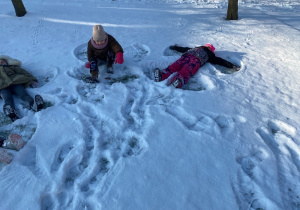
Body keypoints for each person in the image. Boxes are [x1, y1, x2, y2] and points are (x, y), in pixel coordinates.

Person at [154, 44, 240, 88]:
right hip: (185, 56)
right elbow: (183, 49)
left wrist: (231, 66)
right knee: (174, 66)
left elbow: (220, 61)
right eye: (207, 46)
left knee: (186, 71)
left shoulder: (210, 55)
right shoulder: (194, 48)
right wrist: (175, 47)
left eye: (209, 47)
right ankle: (162, 75)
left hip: (196, 61)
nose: (207, 47)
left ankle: (179, 82)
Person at [0, 55, 44, 122]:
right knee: (7, 97)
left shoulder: (12, 67)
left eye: (3, 62)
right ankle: (10, 110)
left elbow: (24, 73)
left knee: (23, 94)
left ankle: (33, 104)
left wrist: (32, 80)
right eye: (0, 62)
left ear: (7, 62)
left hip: (15, 83)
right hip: (2, 87)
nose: (2, 63)